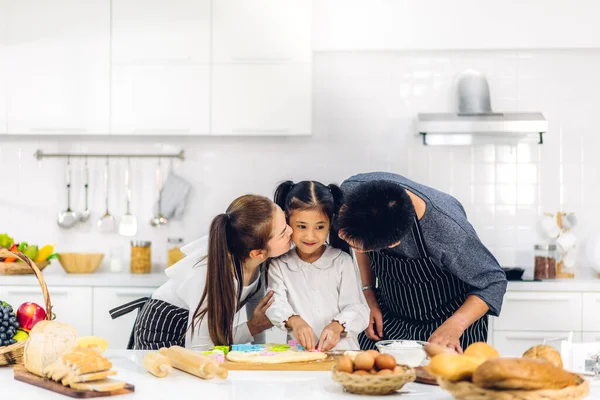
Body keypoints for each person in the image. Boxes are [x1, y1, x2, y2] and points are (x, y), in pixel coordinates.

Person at [335, 172, 507, 353]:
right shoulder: (352, 193)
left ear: (393, 244)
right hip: (390, 316)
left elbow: (493, 282)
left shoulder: (449, 231)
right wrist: (369, 297)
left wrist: (456, 325)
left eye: (364, 249)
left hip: (448, 320)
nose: (355, 249)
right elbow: (358, 240)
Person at [110, 194, 293, 350]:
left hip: (198, 339)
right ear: (258, 253)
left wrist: (259, 352)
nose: (291, 231)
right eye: (283, 232)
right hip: (162, 333)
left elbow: (257, 324)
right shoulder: (208, 275)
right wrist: (251, 327)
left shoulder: (258, 265)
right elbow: (201, 349)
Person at [266, 181, 369, 351]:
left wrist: (338, 326)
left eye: (320, 227)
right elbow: (275, 304)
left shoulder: (341, 261)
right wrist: (293, 320)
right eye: (301, 226)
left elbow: (358, 308)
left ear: (331, 222)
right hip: (300, 357)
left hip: (343, 354)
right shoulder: (279, 265)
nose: (310, 235)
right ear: (287, 221)